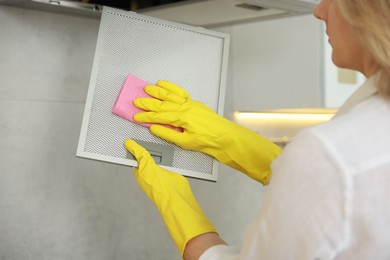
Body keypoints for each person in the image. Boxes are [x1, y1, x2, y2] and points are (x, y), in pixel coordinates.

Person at [124, 0, 390, 258]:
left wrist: (176, 205)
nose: (319, 11)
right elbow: (329, 193)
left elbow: (334, 175)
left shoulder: (333, 154)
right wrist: (226, 138)